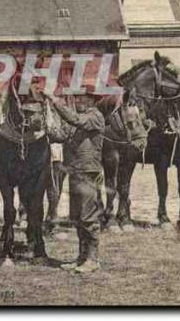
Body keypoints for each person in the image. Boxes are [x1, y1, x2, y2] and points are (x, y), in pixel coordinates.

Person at [45, 91, 105, 273]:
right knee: (78, 217)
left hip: (88, 171)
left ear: (93, 100)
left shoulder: (95, 116)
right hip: (75, 170)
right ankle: (82, 257)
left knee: (89, 217)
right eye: (77, 97)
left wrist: (55, 101)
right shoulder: (83, 118)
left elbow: (75, 120)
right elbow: (64, 136)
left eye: (83, 98)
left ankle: (92, 260)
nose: (78, 100)